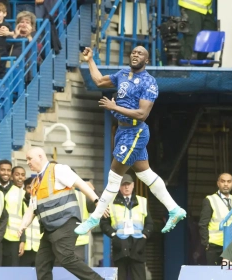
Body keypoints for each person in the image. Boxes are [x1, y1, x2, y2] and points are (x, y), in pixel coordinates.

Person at [74, 46, 186, 235]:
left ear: (147, 61)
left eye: (140, 53)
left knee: (114, 177)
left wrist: (114, 107)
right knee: (146, 175)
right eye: (133, 52)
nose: (135, 54)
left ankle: (94, 218)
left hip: (135, 132)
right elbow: (100, 81)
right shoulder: (123, 74)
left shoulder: (149, 83)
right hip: (122, 131)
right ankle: (174, 209)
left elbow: (142, 114)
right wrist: (90, 60)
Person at [18, 147, 105, 280]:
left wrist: (97, 201)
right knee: (42, 263)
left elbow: (81, 184)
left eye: (30, 158)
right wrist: (23, 225)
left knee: (66, 258)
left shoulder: (57, 169)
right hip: (49, 229)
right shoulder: (35, 182)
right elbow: (31, 209)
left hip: (66, 222)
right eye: (26, 159)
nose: (28, 162)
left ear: (41, 156)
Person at [100, 173, 153, 280]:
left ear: (133, 185)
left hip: (138, 245)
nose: (126, 187)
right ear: (119, 186)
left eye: (129, 184)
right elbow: (103, 223)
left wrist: (144, 236)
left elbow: (150, 223)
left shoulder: (142, 201)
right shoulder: (111, 203)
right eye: (124, 185)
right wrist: (114, 236)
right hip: (120, 245)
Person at [198, 173, 232, 265]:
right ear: (218, 183)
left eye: (229, 181)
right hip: (215, 245)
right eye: (223, 181)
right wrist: (206, 244)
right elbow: (203, 224)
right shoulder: (210, 199)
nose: (226, 184)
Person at [0, 160, 25, 266]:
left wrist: (22, 240)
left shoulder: (20, 192)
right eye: (3, 170)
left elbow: (24, 217)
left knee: (12, 273)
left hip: (12, 238)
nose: (6, 173)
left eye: (8, 170)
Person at [19, 176, 41, 267]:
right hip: (24, 248)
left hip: (39, 248)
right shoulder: (19, 203)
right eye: (29, 187)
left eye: (34, 188)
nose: (31, 190)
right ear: (24, 188)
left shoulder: (42, 203)